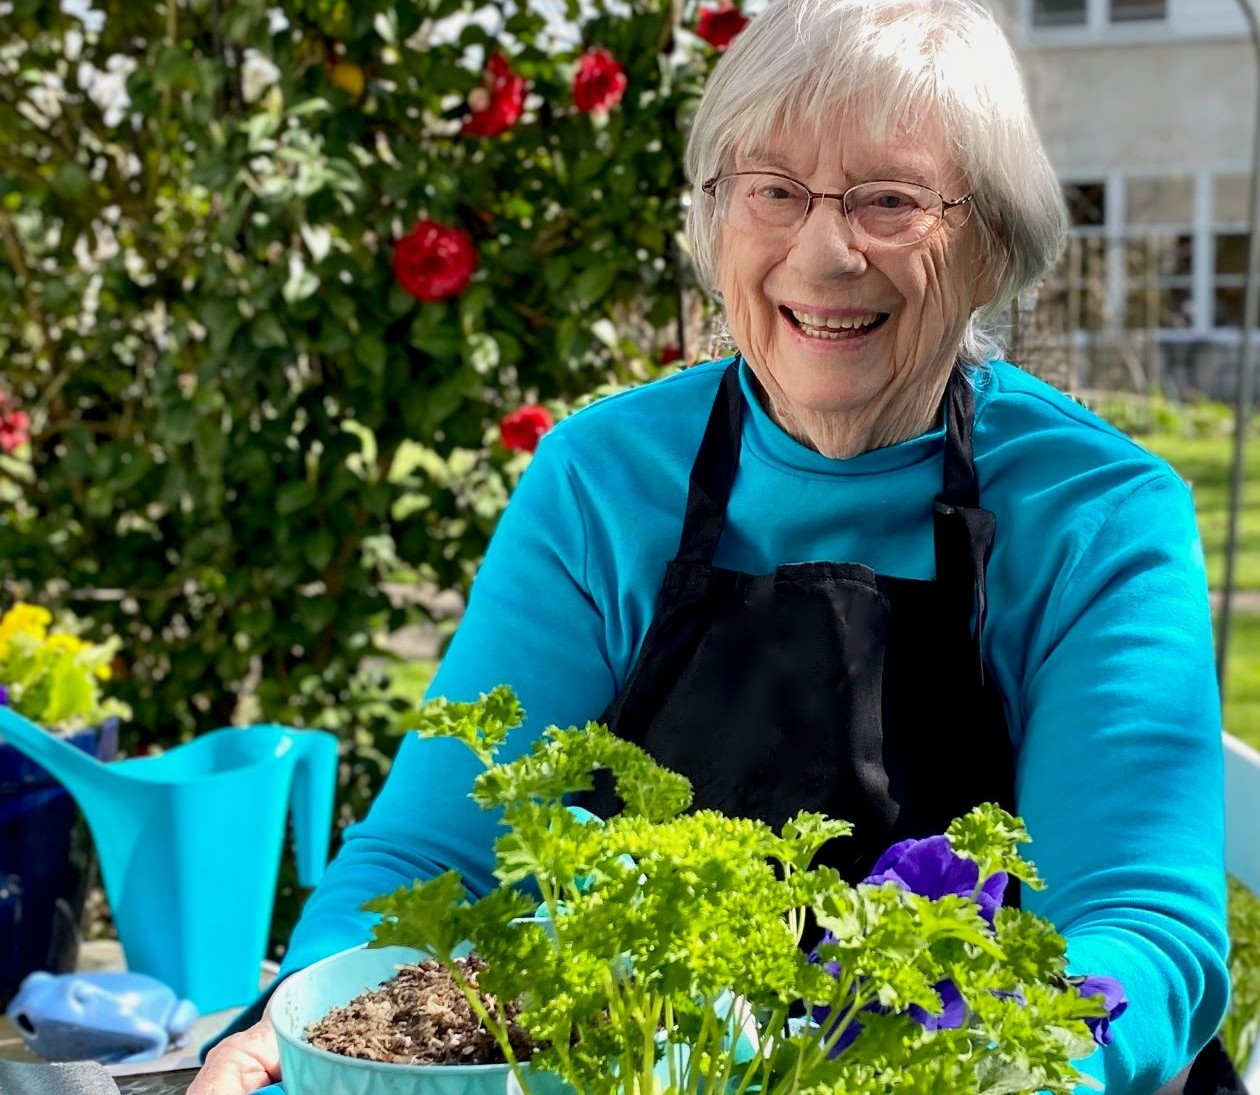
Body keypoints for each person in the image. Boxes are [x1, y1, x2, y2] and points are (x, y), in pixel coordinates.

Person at [190, 0, 1232, 1091]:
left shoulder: (1096, 513)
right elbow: (433, 855)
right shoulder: (603, 480)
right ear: (715, 222)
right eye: (773, 191)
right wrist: (299, 1026)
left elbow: (1138, 924)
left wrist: (996, 1073)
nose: (825, 254)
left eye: (891, 200)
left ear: (991, 246)